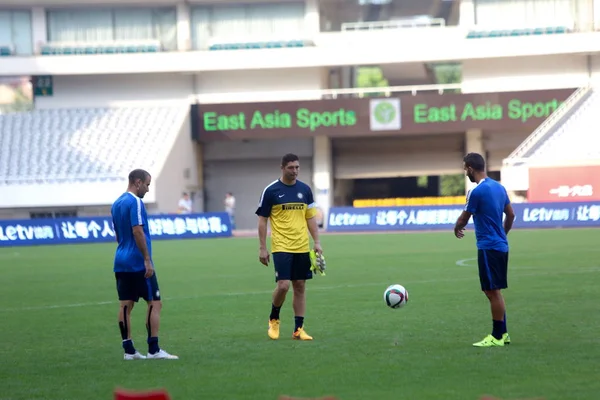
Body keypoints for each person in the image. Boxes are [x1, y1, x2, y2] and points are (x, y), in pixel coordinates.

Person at [111, 169, 179, 360]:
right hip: (137, 262)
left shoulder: (116, 203)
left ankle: (129, 350)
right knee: (154, 302)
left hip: (120, 260)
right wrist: (147, 259)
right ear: (138, 182)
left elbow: (118, 235)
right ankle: (153, 349)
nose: (148, 190)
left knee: (125, 305)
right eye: (147, 185)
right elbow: (137, 231)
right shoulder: (136, 203)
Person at [255, 153, 323, 341]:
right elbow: (262, 220)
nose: (295, 171)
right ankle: (274, 318)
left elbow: (310, 217)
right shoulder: (271, 191)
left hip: (302, 246)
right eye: (291, 167)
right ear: (282, 167)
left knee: (300, 286)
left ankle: (298, 330)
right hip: (281, 246)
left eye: (297, 167)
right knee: (283, 286)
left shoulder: (305, 190)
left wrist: (317, 242)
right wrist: (262, 247)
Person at [453, 153, 515, 347]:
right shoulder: (499, 187)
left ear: (471, 168)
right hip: (501, 246)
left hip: (488, 247)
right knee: (494, 291)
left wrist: (457, 227)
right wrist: (502, 234)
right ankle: (503, 334)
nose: (466, 173)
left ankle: (497, 336)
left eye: (465, 169)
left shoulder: (476, 191)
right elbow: (511, 215)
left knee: (491, 291)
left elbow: (464, 218)